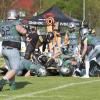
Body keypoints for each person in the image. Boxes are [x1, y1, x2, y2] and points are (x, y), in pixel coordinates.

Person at [0, 9, 27, 91]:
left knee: (11, 68)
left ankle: (13, 86)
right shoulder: (16, 22)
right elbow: (23, 31)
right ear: (15, 15)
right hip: (12, 48)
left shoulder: (2, 23)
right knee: (16, 68)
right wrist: (25, 30)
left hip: (4, 48)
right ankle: (2, 81)